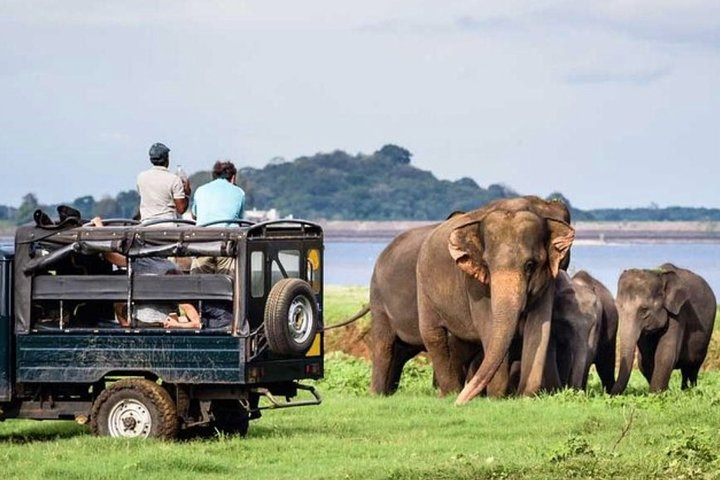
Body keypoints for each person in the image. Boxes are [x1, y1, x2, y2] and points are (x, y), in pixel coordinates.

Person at [190, 160, 245, 275]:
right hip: (226, 244)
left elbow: (194, 215)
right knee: (229, 284)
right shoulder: (239, 192)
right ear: (233, 177)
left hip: (202, 243)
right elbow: (239, 220)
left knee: (198, 284)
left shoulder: (200, 190)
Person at [136, 142, 192, 222]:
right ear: (167, 159)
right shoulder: (174, 179)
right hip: (167, 226)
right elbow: (181, 209)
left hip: (146, 225)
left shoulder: (141, 177)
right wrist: (187, 194)